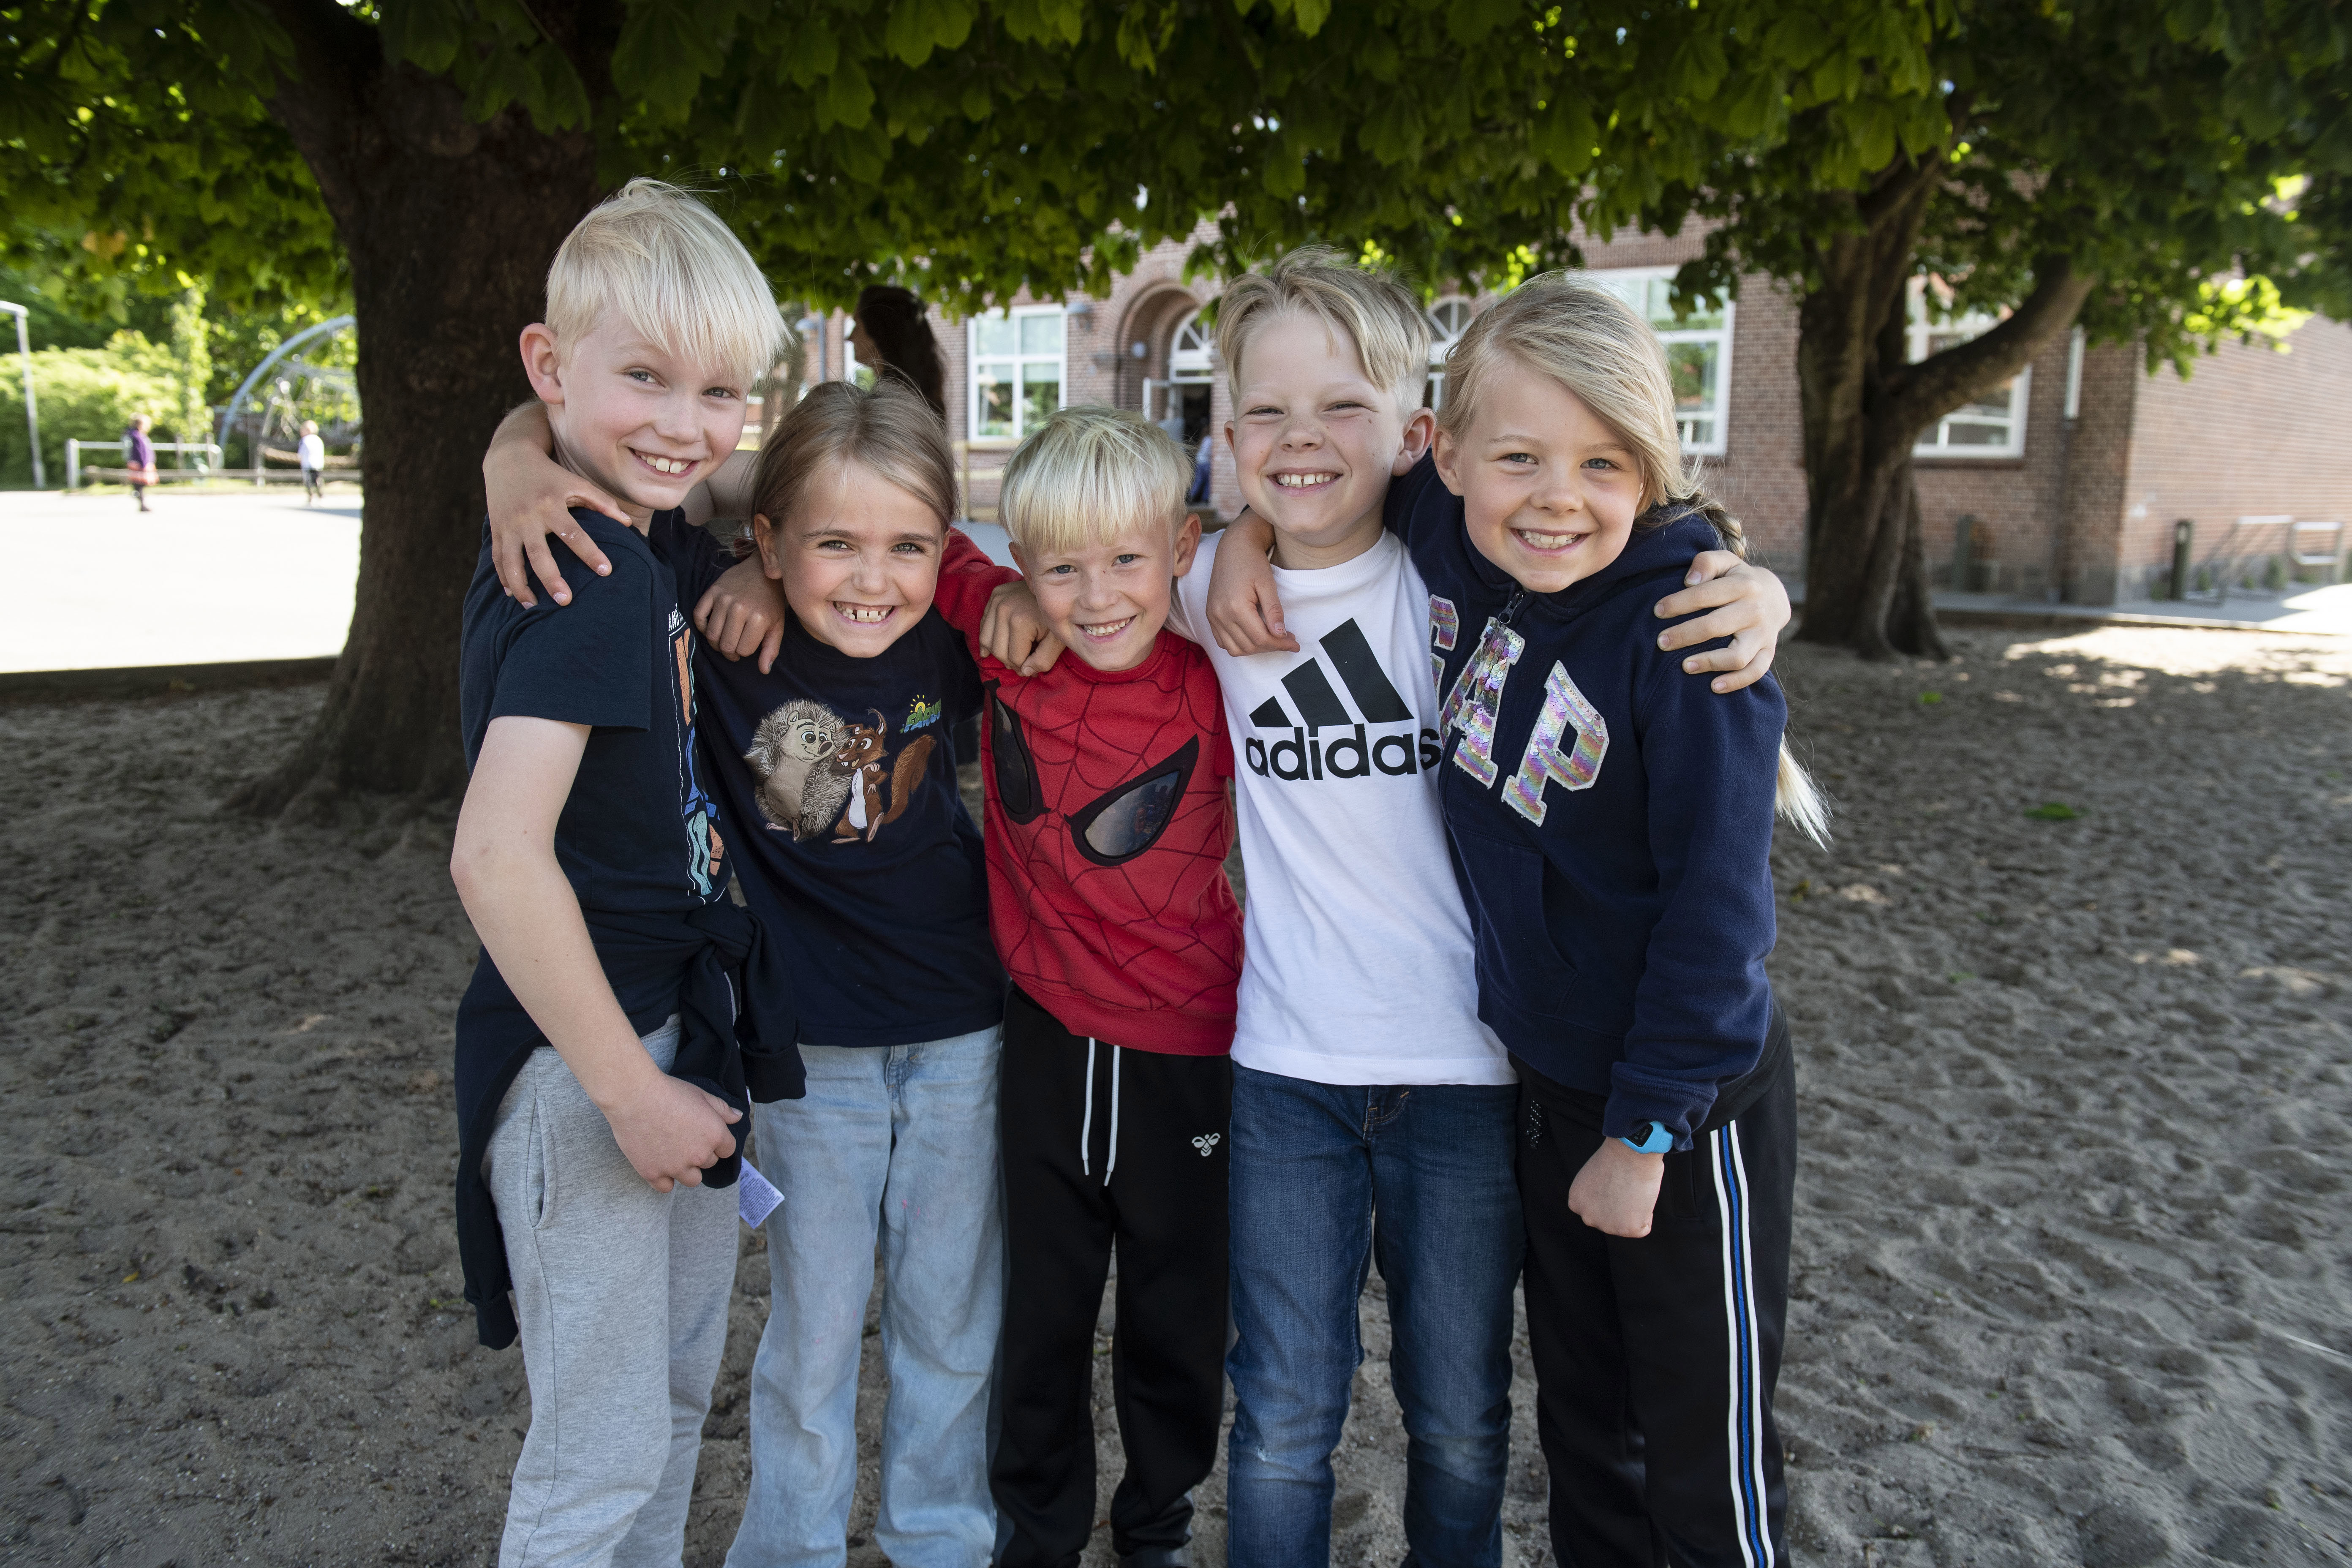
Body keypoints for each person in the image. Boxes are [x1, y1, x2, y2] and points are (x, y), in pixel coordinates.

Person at [1170, 247, 1791, 1568]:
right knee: (1570, 1424)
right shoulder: (1445, 542)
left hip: (1615, 1091)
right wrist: (1237, 539)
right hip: (1488, 1072)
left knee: (1644, 1441)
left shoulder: (1648, 620)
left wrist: (1759, 585)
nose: (1554, 494)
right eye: (1517, 459)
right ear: (1447, 457)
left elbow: (1718, 913)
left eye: (1600, 462)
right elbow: (1280, 490)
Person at [481, 377, 1007, 1568]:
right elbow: (612, 458)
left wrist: (844, 561)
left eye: (907, 547)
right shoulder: (712, 623)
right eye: (833, 545)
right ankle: (791, 1550)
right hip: (806, 1052)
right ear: (769, 542)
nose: (872, 578)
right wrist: (509, 460)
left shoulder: (950, 633)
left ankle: (940, 1542)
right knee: (813, 1337)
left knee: (951, 1323)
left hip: (962, 1034)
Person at [447, 177, 801, 1568]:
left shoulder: (636, 531)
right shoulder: (587, 574)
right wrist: (626, 1092)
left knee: (660, 1416)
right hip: (592, 1054)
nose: (684, 424)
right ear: (550, 365)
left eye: (720, 392)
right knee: (596, 1460)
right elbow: (494, 856)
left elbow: (736, 485)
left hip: (672, 1021)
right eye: (644, 378)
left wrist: (516, 449)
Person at [927, 407, 1241, 1568]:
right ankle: (1040, 1530)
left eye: (1125, 560)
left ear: (1181, 548)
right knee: (1043, 1311)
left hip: (1192, 1051)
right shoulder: (1010, 636)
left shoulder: (1223, 674)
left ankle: (1156, 1519)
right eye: (1061, 569)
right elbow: (911, 523)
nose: (1097, 596)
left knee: (1177, 1312)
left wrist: (1253, 547)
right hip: (1046, 1041)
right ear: (1022, 565)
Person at [125, 414, 156, 512]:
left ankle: (140, 499)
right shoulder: (137, 437)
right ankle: (142, 503)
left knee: (140, 485)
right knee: (139, 485)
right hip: (140, 464)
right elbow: (140, 451)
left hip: (142, 463)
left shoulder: (140, 436)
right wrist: (144, 463)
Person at [297, 419, 326, 504]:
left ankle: (311, 496)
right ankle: (321, 495)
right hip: (318, 464)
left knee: (308, 482)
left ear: (308, 430)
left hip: (307, 464)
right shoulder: (318, 440)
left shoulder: (305, 440)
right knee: (317, 480)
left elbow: (301, 453)